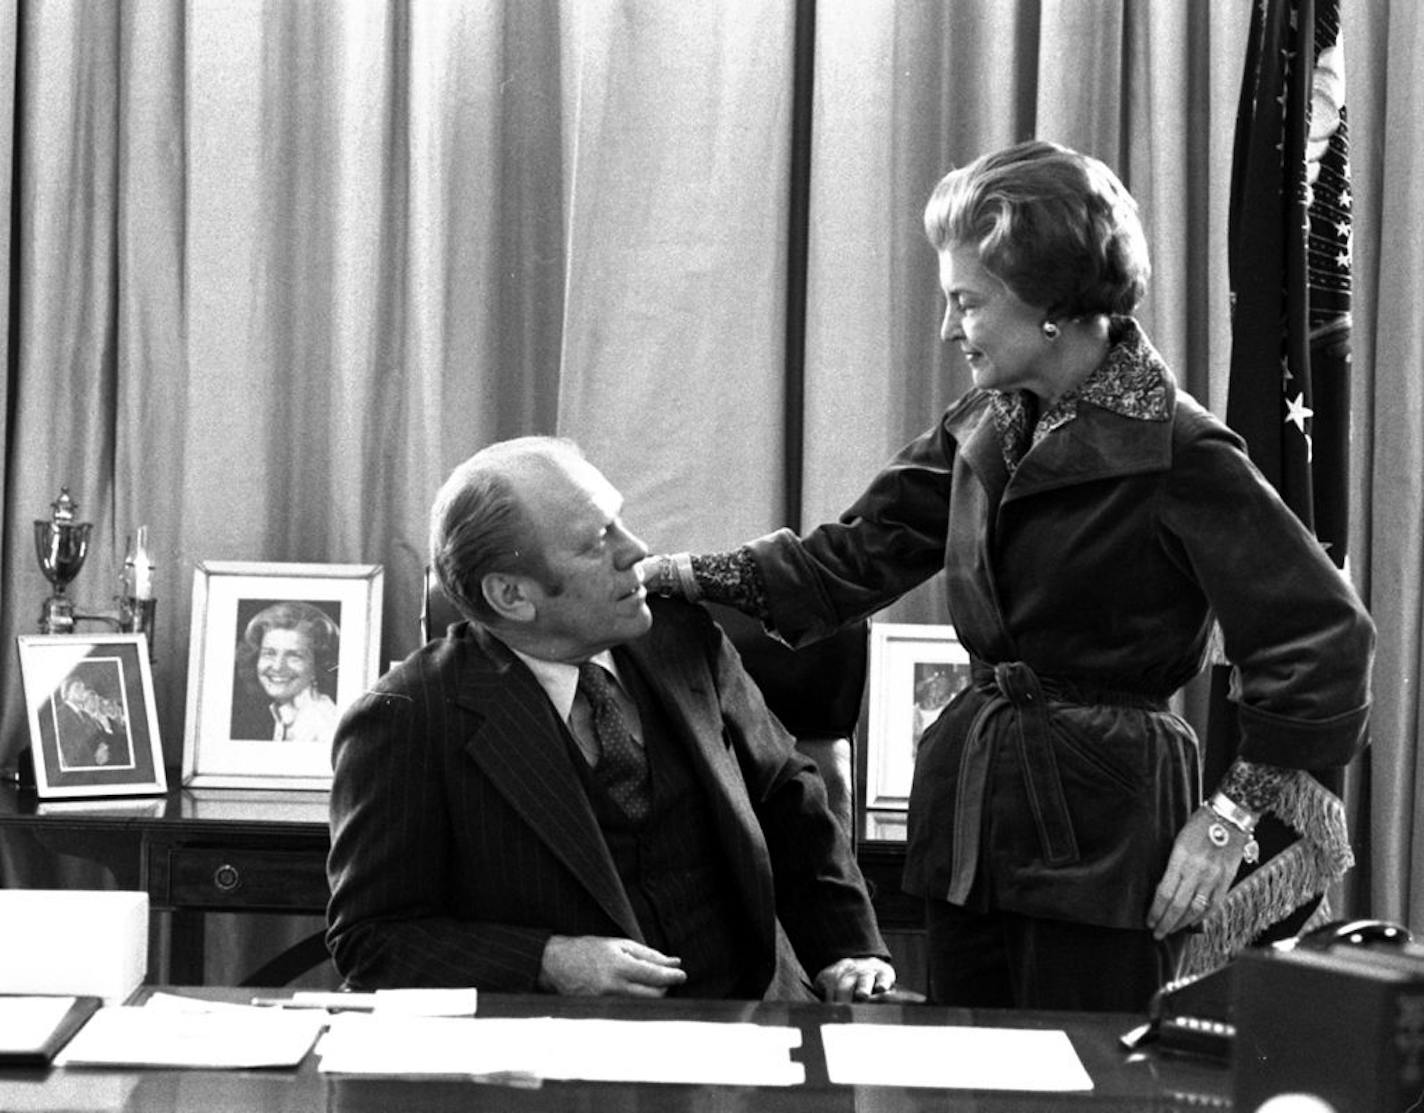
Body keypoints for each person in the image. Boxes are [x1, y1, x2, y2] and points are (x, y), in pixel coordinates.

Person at [641, 140, 1374, 1013]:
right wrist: (680, 572)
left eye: (967, 302)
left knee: (1088, 1080)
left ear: (1054, 309)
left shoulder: (1181, 451)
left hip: (1107, 825)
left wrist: (1229, 822)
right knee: (960, 1076)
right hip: (970, 817)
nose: (950, 329)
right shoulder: (981, 426)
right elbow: (847, 559)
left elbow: (1324, 640)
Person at [325, 436, 895, 1001]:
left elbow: (785, 791)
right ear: (511, 596)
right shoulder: (404, 720)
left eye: (619, 521)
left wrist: (847, 947)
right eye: (598, 541)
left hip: (753, 1013)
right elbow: (372, 940)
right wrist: (547, 960)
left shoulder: (681, 633)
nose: (637, 550)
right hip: (565, 1058)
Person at [233, 601, 341, 744]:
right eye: (269, 653)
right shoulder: (287, 715)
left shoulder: (323, 725)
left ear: (317, 665)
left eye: (294, 655)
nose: (278, 667)